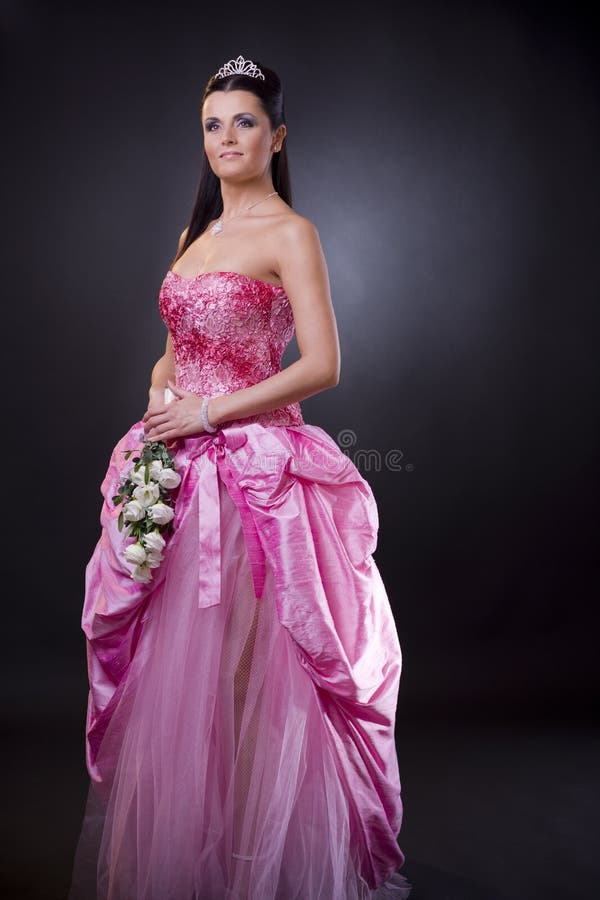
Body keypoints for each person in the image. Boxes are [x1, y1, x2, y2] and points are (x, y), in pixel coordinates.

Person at [68, 54, 412, 900]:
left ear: (277, 136)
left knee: (262, 669)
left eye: (245, 121)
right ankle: (199, 861)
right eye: (214, 123)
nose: (227, 136)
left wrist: (211, 414)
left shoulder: (292, 233)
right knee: (183, 671)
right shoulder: (196, 237)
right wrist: (158, 398)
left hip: (258, 475)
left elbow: (324, 364)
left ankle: (266, 867)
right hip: (180, 468)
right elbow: (178, 349)